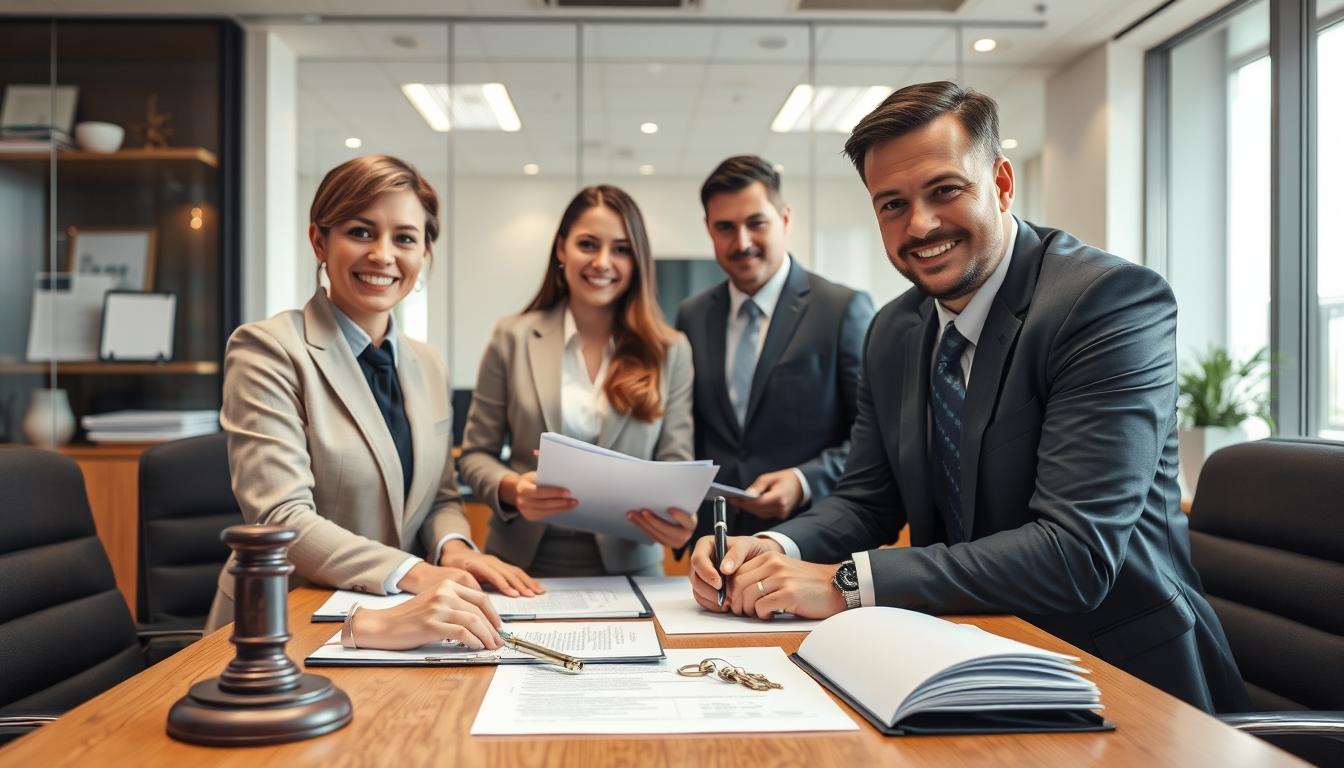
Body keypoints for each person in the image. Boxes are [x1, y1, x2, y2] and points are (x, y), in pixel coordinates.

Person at [690, 82, 1251, 714]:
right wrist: (779, 549)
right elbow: (868, 501)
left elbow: (1073, 555)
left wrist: (848, 583)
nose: (920, 224)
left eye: (945, 191)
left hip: (1120, 679)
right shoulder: (896, 330)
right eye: (892, 205)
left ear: (1003, 183)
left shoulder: (1106, 303)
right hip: (956, 659)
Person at [205, 155, 539, 652]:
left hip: (400, 621)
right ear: (320, 240)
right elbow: (281, 518)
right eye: (361, 232)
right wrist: (415, 572)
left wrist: (452, 549)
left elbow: (440, 498)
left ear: (424, 254)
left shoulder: (427, 364)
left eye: (405, 238)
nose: (383, 255)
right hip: (286, 627)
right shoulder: (268, 348)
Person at [457, 185, 696, 576]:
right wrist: (514, 488)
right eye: (588, 244)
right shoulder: (512, 337)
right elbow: (474, 456)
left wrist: (678, 517)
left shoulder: (670, 350)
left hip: (630, 567)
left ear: (637, 260)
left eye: (620, 249)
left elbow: (675, 463)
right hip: (519, 564)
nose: (602, 262)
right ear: (561, 249)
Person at [677, 156, 874, 545]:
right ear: (708, 230)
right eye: (725, 228)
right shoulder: (692, 315)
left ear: (785, 219)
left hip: (812, 541)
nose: (742, 242)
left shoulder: (841, 309)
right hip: (717, 544)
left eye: (756, 223)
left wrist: (804, 480)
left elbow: (873, 438)